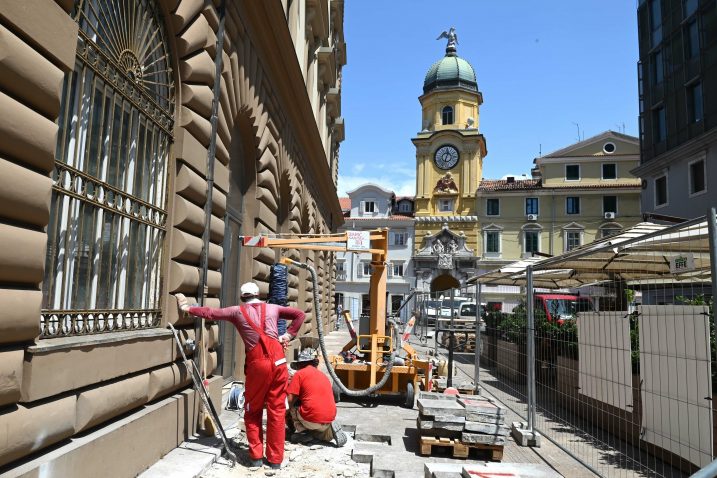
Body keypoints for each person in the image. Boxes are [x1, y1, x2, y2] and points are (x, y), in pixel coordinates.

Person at [175, 282, 305, 469]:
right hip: (279, 362)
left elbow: (211, 313)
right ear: (258, 294)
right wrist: (288, 336)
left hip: (258, 365)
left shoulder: (237, 311)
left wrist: (188, 308)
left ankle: (256, 458)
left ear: (242, 297)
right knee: (276, 411)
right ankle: (275, 461)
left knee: (253, 410)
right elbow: (300, 315)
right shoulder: (273, 308)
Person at [286, 348, 347, 447]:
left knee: (293, 407)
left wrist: (281, 416)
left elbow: (289, 401)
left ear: (301, 364)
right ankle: (328, 432)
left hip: (311, 419)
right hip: (329, 418)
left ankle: (303, 432)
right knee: (322, 431)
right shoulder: (323, 375)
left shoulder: (299, 374)